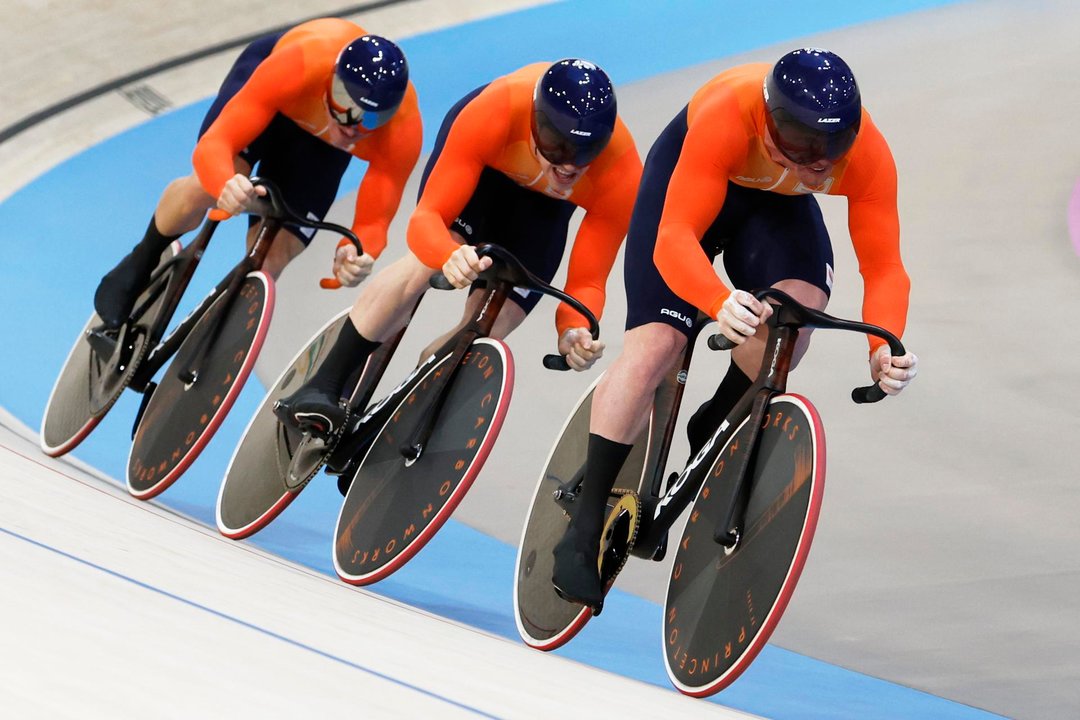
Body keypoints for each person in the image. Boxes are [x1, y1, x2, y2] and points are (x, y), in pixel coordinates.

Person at [551, 48, 921, 609]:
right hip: (690, 184)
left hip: (774, 203)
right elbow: (674, 236)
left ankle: (719, 414)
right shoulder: (728, 114)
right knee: (657, 348)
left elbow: (885, 267)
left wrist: (882, 344)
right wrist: (716, 299)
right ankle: (580, 529)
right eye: (801, 142)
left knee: (791, 323)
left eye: (832, 145)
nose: (820, 163)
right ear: (769, 120)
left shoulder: (865, 150)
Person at [272, 58, 643, 437]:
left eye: (585, 152)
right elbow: (426, 220)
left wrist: (573, 329)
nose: (567, 165)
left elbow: (588, 282)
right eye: (555, 145)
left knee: (488, 329)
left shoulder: (621, 172)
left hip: (542, 213)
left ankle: (399, 413)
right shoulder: (495, 110)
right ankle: (322, 384)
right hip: (482, 173)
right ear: (534, 121)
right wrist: (447, 255)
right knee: (424, 265)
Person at [93, 18, 422, 329]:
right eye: (345, 104)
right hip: (277, 98)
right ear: (332, 80)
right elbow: (215, 144)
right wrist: (225, 182)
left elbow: (374, 223)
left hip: (319, 146)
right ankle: (143, 257)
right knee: (206, 191)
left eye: (371, 120)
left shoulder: (402, 131)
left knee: (273, 257)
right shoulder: (298, 66)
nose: (352, 126)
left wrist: (355, 253)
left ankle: (217, 338)